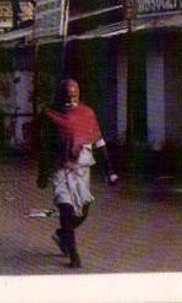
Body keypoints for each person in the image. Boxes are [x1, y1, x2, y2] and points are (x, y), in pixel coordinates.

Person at [37, 77, 117, 269]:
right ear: (59, 95)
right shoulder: (50, 115)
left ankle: (64, 234)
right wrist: (42, 173)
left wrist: (109, 170)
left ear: (78, 94)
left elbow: (99, 142)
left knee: (82, 212)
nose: (70, 99)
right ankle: (74, 255)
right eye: (66, 95)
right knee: (66, 209)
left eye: (73, 95)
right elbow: (44, 147)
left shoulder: (87, 113)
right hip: (60, 169)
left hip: (81, 170)